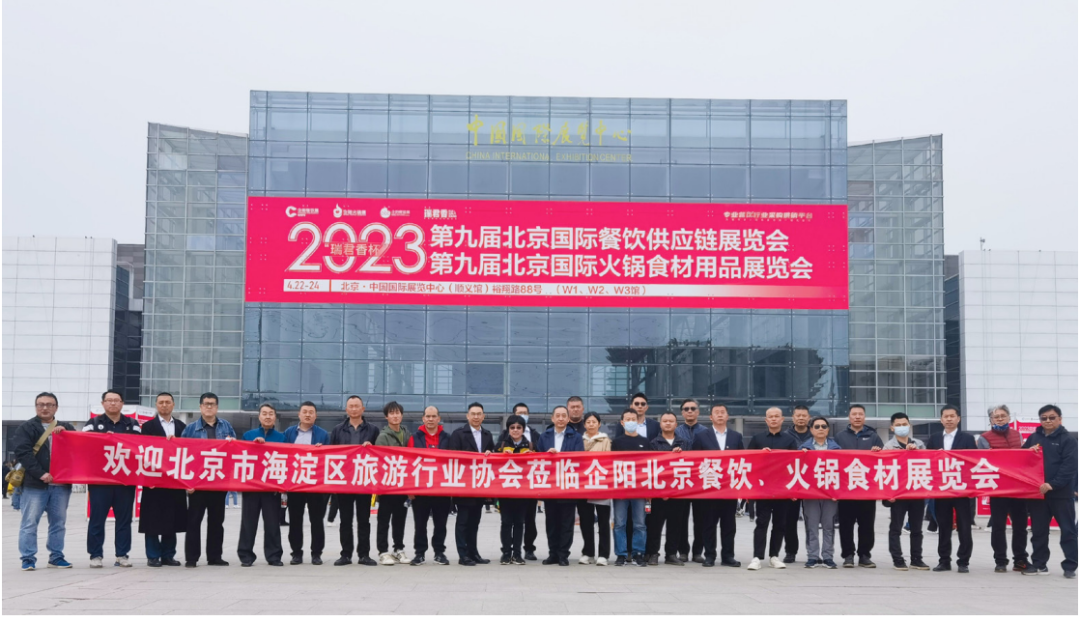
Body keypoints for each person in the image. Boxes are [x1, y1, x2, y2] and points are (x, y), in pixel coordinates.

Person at [14, 392, 75, 571]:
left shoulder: (66, 426)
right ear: (36, 407)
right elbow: (23, 453)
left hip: (61, 485)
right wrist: (40, 473)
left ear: (56, 407)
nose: (45, 408)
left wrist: (67, 434)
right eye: (41, 404)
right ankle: (28, 558)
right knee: (29, 523)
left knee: (58, 523)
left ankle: (56, 557)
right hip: (35, 484)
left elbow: (78, 448)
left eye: (49, 404)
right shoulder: (26, 428)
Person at [84, 389, 141, 568]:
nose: (113, 403)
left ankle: (122, 555)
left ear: (122, 403)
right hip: (100, 481)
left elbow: (140, 446)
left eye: (116, 400)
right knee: (97, 519)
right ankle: (95, 555)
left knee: (124, 520)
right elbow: (83, 444)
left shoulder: (132, 423)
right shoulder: (93, 423)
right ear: (103, 404)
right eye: (109, 400)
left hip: (125, 481)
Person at [180, 392, 236, 567]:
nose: (209, 407)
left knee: (216, 522)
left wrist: (232, 442)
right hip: (197, 484)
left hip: (218, 483)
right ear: (200, 407)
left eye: (212, 404)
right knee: (193, 521)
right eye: (206, 404)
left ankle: (214, 556)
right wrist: (186, 483)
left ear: (217, 407)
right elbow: (182, 455)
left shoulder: (226, 427)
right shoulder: (190, 429)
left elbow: (235, 452)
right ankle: (192, 558)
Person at [1022, 404, 1077, 578]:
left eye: (1052, 417)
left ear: (1060, 419)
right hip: (1038, 494)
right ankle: (1039, 564)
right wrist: (1028, 452)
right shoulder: (1033, 438)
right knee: (1039, 532)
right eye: (1044, 418)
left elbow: (1069, 466)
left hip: (1061, 494)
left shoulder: (1068, 440)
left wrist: (1053, 484)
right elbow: (1021, 459)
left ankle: (1070, 566)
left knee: (1068, 531)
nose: (1048, 421)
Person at [746, 407, 800, 570]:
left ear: (782, 419)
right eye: (771, 417)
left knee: (780, 524)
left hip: (782, 489)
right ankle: (757, 557)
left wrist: (794, 489)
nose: (774, 419)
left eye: (777, 416)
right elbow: (748, 461)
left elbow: (795, 464)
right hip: (762, 489)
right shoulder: (757, 439)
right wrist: (759, 454)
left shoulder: (789, 440)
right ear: (766, 420)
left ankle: (774, 556)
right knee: (761, 523)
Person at [329, 395, 379, 567]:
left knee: (364, 520)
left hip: (364, 480)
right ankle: (345, 554)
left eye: (357, 406)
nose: (354, 409)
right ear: (346, 409)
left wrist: (372, 448)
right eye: (351, 406)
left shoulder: (373, 430)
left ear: (363, 409)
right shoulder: (338, 430)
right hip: (344, 481)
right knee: (345, 520)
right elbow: (331, 454)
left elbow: (380, 454)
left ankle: (364, 554)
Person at [139, 392, 187, 567]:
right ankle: (153, 555)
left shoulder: (182, 426)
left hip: (174, 480)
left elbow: (188, 451)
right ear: (156, 405)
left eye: (167, 402)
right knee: (152, 519)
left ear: (173, 405)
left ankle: (168, 555)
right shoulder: (147, 427)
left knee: (171, 519)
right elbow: (143, 452)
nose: (164, 405)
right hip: (154, 480)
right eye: (161, 402)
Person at [927, 404, 977, 573]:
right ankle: (944, 560)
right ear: (941, 419)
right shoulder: (934, 438)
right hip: (942, 489)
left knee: (964, 526)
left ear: (958, 419)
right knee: (943, 526)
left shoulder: (967, 439)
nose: (949, 419)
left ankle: (963, 561)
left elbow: (973, 461)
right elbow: (927, 461)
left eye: (952, 416)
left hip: (962, 489)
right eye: (945, 416)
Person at [691, 403, 742, 568]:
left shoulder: (736, 436)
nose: (720, 415)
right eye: (716, 412)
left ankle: (728, 556)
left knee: (729, 525)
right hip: (709, 487)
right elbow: (694, 462)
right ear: (710, 417)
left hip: (729, 488)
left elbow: (742, 461)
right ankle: (709, 556)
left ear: (727, 416)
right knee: (709, 524)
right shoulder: (701, 436)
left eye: (722, 412)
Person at [981, 404, 1030, 573]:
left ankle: (1020, 559)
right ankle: (1000, 560)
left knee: (1020, 526)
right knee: (998, 527)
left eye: (1003, 416)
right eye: (996, 417)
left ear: (1009, 417)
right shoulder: (984, 438)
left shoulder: (1018, 435)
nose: (1000, 419)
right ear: (990, 420)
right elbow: (981, 461)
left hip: (1018, 488)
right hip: (998, 488)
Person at [834, 404, 884, 568]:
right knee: (845, 525)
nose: (857, 417)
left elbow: (884, 460)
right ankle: (848, 555)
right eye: (854, 414)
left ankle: (864, 555)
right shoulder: (839, 437)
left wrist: (878, 452)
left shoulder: (873, 436)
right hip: (846, 489)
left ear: (864, 417)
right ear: (849, 417)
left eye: (860, 414)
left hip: (867, 489)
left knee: (867, 525)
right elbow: (832, 459)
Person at [283, 401, 331, 565]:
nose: (308, 415)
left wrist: (322, 450)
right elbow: (282, 454)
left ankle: (316, 553)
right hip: (295, 484)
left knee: (316, 520)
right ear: (299, 414)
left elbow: (329, 457)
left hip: (315, 485)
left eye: (311, 412)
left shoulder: (323, 434)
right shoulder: (289, 433)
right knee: (295, 520)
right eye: (304, 412)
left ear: (316, 416)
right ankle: (296, 553)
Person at [536, 406, 584, 566]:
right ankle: (553, 554)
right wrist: (547, 455)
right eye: (558, 415)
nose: (561, 418)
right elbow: (538, 458)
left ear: (568, 419)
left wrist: (561, 456)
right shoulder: (544, 436)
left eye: (564, 415)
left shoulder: (576, 437)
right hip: (550, 486)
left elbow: (579, 458)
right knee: (551, 522)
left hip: (568, 485)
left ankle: (563, 554)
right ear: (553, 418)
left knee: (566, 523)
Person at [237, 403, 285, 567]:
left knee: (272, 524)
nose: (267, 416)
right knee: (248, 523)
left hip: (272, 488)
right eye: (264, 413)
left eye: (271, 413)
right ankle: (246, 555)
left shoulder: (281, 437)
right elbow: (240, 455)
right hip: (252, 487)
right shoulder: (248, 435)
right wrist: (254, 445)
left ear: (275, 417)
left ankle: (274, 556)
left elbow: (288, 459)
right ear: (259, 417)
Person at [448, 402, 494, 566]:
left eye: (479, 414)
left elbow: (493, 457)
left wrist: (490, 454)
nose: (476, 417)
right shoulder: (458, 434)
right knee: (463, 522)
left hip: (480, 484)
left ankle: (473, 553)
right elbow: (453, 458)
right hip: (464, 484)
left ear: (483, 416)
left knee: (475, 522)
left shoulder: (487, 435)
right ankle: (463, 555)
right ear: (467, 416)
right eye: (473, 414)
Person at [882, 412, 929, 571]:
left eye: (904, 424)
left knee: (917, 528)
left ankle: (917, 559)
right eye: (898, 425)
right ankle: (898, 559)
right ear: (892, 427)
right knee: (896, 528)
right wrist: (888, 493)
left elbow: (927, 463)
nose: (902, 427)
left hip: (916, 492)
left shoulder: (919, 444)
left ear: (909, 425)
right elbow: (885, 470)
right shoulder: (888, 447)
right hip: (898, 494)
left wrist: (916, 452)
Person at [407, 405, 451, 566]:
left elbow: (454, 462)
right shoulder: (414, 438)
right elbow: (408, 463)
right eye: (428, 416)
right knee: (420, 524)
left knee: (441, 524)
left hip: (442, 489)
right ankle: (420, 553)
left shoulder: (447, 438)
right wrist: (410, 489)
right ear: (423, 418)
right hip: (420, 490)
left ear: (439, 419)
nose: (430, 419)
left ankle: (439, 553)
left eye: (433, 416)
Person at [647, 411, 690, 566]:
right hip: (658, 492)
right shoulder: (653, 443)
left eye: (671, 421)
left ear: (676, 424)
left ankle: (671, 554)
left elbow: (690, 464)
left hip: (678, 491)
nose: (668, 423)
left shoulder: (684, 443)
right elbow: (652, 467)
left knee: (675, 524)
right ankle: (653, 553)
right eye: (665, 421)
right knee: (655, 525)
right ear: (660, 424)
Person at [799, 416, 840, 569]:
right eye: (817, 427)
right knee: (812, 526)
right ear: (811, 430)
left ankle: (828, 557)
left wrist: (838, 492)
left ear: (828, 430)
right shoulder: (803, 449)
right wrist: (801, 455)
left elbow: (842, 472)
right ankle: (813, 557)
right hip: (810, 493)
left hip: (830, 493)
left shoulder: (837, 449)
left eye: (824, 426)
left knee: (829, 526)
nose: (820, 429)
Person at [611, 408, 651, 567]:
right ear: (622, 422)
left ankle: (638, 553)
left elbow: (649, 465)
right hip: (620, 489)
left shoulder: (645, 442)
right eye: (627, 419)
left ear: (638, 421)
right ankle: (621, 554)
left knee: (640, 524)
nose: (630, 422)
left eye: (633, 419)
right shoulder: (616, 442)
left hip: (639, 489)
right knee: (619, 523)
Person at [505, 403, 542, 561]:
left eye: (525, 413)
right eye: (519, 413)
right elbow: (495, 454)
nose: (522, 415)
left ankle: (529, 548)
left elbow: (541, 455)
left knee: (529, 519)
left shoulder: (535, 435)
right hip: (509, 484)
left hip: (528, 485)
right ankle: (508, 551)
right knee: (509, 521)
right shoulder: (504, 436)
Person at [673, 398, 709, 564]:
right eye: (686, 409)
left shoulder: (706, 432)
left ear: (698, 412)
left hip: (701, 480)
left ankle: (697, 551)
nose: (689, 411)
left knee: (701, 518)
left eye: (692, 408)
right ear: (682, 412)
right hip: (682, 479)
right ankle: (683, 551)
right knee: (680, 518)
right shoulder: (676, 431)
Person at [375, 401, 410, 565]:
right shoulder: (383, 437)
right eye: (392, 413)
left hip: (403, 485)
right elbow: (380, 461)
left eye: (398, 413)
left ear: (401, 415)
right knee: (384, 520)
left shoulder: (407, 434)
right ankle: (383, 551)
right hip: (387, 486)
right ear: (386, 417)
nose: (395, 416)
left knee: (399, 519)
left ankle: (398, 549)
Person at [495, 415, 533, 565]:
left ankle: (517, 554)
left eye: (518, 427)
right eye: (512, 427)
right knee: (506, 522)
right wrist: (497, 455)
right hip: (505, 491)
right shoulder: (501, 444)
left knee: (519, 523)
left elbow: (540, 463)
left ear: (523, 429)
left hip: (523, 491)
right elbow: (491, 462)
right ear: (508, 429)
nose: (515, 430)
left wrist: (532, 455)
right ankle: (506, 553)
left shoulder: (530, 445)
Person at [578, 411, 611, 566]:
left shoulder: (606, 440)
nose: (591, 424)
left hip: (601, 485)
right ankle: (588, 552)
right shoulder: (579, 440)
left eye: (594, 422)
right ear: (584, 424)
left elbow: (609, 460)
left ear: (599, 424)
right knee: (586, 521)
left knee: (603, 522)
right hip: (583, 486)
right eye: (588, 422)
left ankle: (603, 554)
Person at [782, 405, 812, 563]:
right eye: (798, 415)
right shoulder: (785, 436)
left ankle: (813, 552)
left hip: (812, 483)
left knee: (812, 520)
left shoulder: (816, 433)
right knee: (790, 520)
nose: (801, 418)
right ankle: (790, 551)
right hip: (792, 481)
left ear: (809, 418)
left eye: (804, 415)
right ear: (793, 418)